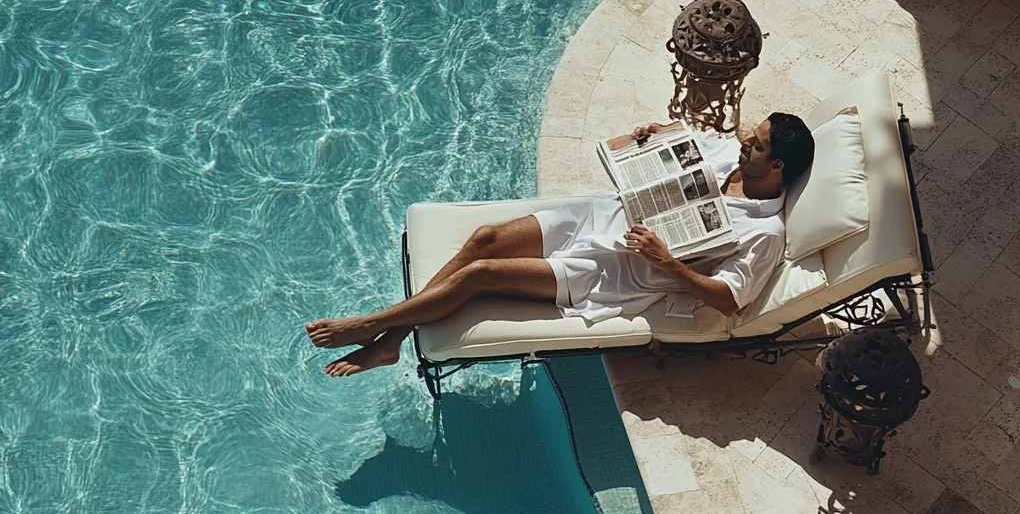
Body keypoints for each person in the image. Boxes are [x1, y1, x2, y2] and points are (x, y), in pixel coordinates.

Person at [305, 113, 815, 377]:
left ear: (776, 170)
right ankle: (393, 340)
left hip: (613, 272)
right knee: (485, 238)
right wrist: (653, 135)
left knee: (480, 275)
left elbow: (729, 300)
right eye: (753, 134)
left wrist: (666, 262)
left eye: (759, 144)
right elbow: (679, 141)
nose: (745, 141)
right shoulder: (727, 152)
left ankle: (376, 325)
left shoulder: (764, 232)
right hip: (599, 213)